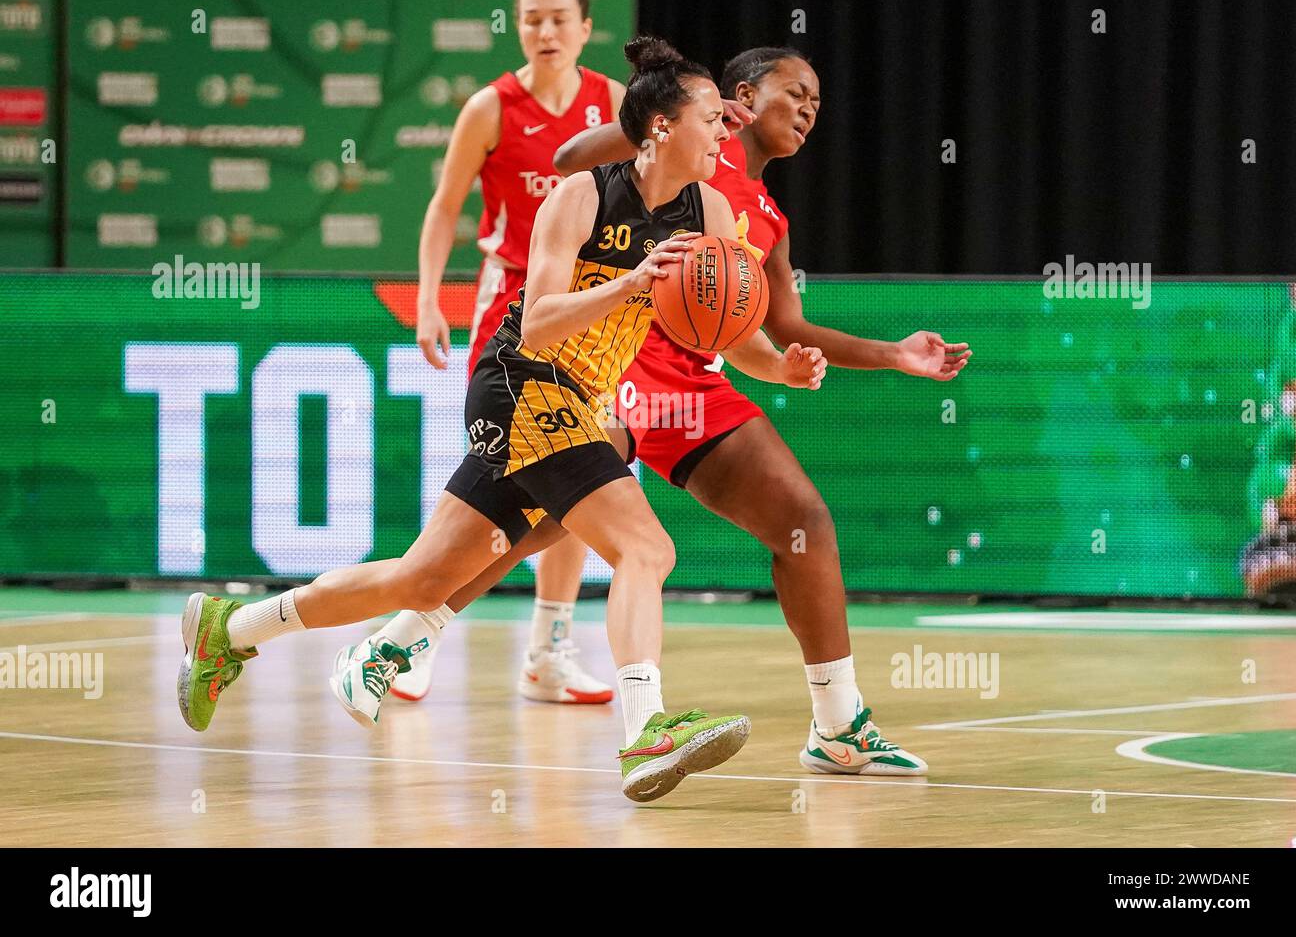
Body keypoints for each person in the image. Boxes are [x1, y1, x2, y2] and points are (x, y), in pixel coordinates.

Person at [176, 36, 826, 803]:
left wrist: (775, 363)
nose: (727, 132)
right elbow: (542, 322)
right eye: (713, 117)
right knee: (646, 549)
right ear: (661, 129)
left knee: (422, 575)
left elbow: (728, 328)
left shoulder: (711, 207)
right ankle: (645, 733)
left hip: (575, 397)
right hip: (522, 381)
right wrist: (629, 285)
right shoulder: (582, 196)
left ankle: (234, 629)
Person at [390, 47, 973, 777]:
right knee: (550, 511)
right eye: (794, 92)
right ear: (739, 97)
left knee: (805, 523)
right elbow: (573, 154)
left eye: (817, 102)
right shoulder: (688, 149)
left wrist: (892, 354)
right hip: (621, 364)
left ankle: (838, 726)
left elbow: (781, 331)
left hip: (698, 382)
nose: (807, 109)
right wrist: (659, 123)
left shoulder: (763, 214)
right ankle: (415, 627)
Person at [405, 0, 623, 704]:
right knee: (496, 466)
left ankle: (549, 644)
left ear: (586, 27)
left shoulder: (616, 103)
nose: (546, 30)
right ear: (517, 28)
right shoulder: (491, 107)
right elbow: (443, 207)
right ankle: (416, 626)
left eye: (560, 18)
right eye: (532, 19)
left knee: (587, 467)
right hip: (511, 302)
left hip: (590, 307)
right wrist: (431, 297)